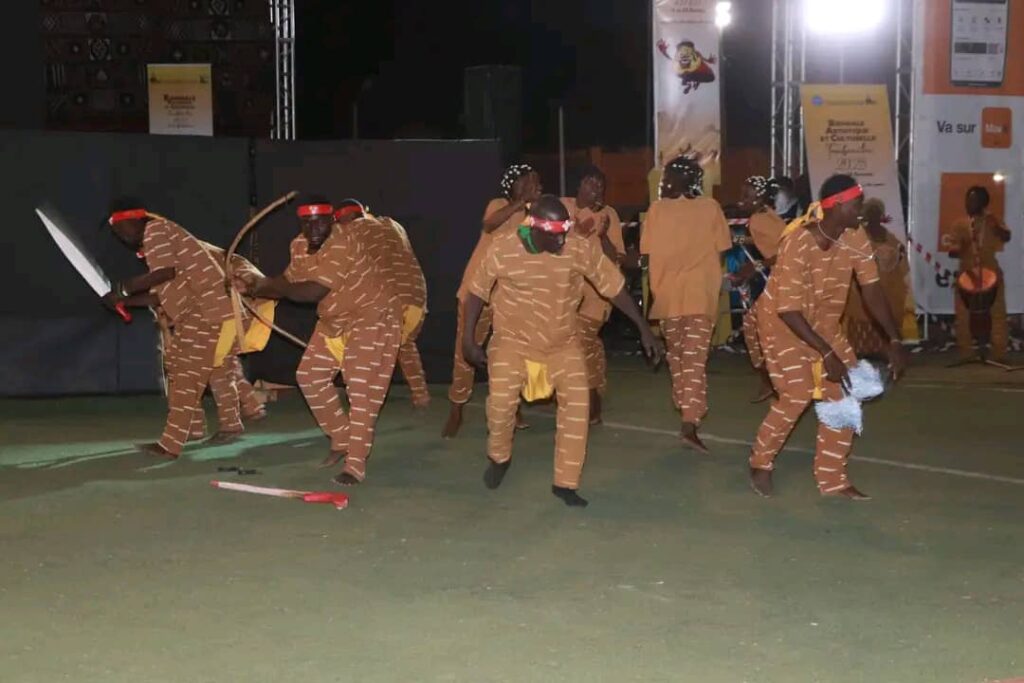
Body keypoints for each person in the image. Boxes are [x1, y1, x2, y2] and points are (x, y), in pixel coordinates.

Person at [462, 195, 663, 507]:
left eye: (564, 234)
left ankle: (565, 483)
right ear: (534, 228)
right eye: (555, 236)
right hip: (513, 341)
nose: (562, 242)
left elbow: (612, 286)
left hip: (561, 343)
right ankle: (499, 457)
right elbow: (476, 292)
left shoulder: (577, 247)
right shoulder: (503, 248)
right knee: (501, 404)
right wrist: (468, 339)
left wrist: (643, 327)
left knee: (578, 407)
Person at [748, 175, 908, 500]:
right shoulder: (798, 241)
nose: (861, 211)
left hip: (824, 326)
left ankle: (832, 478)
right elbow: (789, 310)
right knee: (797, 393)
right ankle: (760, 463)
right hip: (781, 324)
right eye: (856, 204)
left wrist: (894, 339)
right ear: (835, 205)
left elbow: (872, 290)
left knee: (846, 394)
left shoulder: (856, 237)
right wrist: (826, 353)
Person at [240, 197, 402, 485]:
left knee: (361, 389)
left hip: (373, 317)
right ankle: (341, 439)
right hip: (335, 320)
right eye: (307, 222)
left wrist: (265, 285)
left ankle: (355, 465)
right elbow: (289, 280)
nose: (313, 228)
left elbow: (311, 292)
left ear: (333, 220)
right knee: (309, 375)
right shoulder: (299, 245)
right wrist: (255, 285)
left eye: (320, 221)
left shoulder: (343, 242)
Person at [104, 202, 262, 458]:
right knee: (197, 368)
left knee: (186, 375)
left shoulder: (155, 231)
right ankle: (209, 427)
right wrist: (123, 302)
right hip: (213, 313)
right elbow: (158, 294)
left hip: (207, 313)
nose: (121, 236)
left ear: (138, 219)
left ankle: (171, 444)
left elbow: (165, 273)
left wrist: (123, 289)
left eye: (122, 227)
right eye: (116, 233)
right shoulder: (161, 241)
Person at [641, 156, 731, 453]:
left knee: (682, 362)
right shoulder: (711, 209)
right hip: (697, 298)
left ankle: (689, 419)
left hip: (668, 299)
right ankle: (689, 419)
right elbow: (721, 252)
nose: (664, 183)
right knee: (688, 362)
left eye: (667, 177)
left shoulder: (656, 211)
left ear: (681, 181)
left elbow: (648, 256)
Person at [442, 164, 540, 438]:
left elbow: (532, 246)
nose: (533, 186)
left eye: (535, 182)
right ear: (514, 186)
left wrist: (533, 210)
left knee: (508, 354)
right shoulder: (500, 204)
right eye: (527, 182)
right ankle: (456, 409)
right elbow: (489, 224)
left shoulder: (531, 216)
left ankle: (512, 408)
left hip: (508, 298)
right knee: (465, 353)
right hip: (476, 292)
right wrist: (521, 203)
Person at [334, 199, 430, 408]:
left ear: (344, 219)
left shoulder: (352, 230)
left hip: (389, 301)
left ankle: (364, 397)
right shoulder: (392, 224)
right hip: (416, 298)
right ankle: (420, 394)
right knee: (403, 343)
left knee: (363, 344)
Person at [561, 165, 625, 425]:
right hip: (564, 291)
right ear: (579, 185)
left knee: (583, 340)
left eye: (600, 185)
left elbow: (615, 258)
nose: (596, 189)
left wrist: (604, 235)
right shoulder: (562, 206)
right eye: (591, 183)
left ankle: (593, 404)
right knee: (579, 344)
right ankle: (591, 390)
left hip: (598, 293)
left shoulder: (609, 215)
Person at [734, 175, 788, 403]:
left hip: (780, 280)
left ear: (759, 197)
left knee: (753, 327)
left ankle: (771, 379)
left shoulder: (758, 219)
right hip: (781, 279)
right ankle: (772, 379)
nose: (742, 199)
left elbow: (785, 251)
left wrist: (756, 266)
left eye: (747, 194)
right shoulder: (767, 215)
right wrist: (744, 242)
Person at [949, 186, 1012, 362]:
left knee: (997, 311)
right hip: (967, 272)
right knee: (963, 312)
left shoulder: (992, 220)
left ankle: (998, 353)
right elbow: (952, 250)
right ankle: (966, 353)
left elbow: (1007, 236)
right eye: (967, 200)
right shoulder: (960, 224)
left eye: (973, 200)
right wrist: (962, 247)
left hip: (990, 270)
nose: (968, 203)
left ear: (983, 203)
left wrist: (995, 226)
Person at [844, 198, 909, 359]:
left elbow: (902, 259)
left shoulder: (890, 237)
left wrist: (893, 258)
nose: (873, 216)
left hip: (888, 287)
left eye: (876, 212)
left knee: (887, 310)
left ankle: (888, 351)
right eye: (870, 212)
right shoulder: (858, 236)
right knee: (863, 311)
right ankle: (862, 353)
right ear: (865, 215)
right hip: (864, 288)